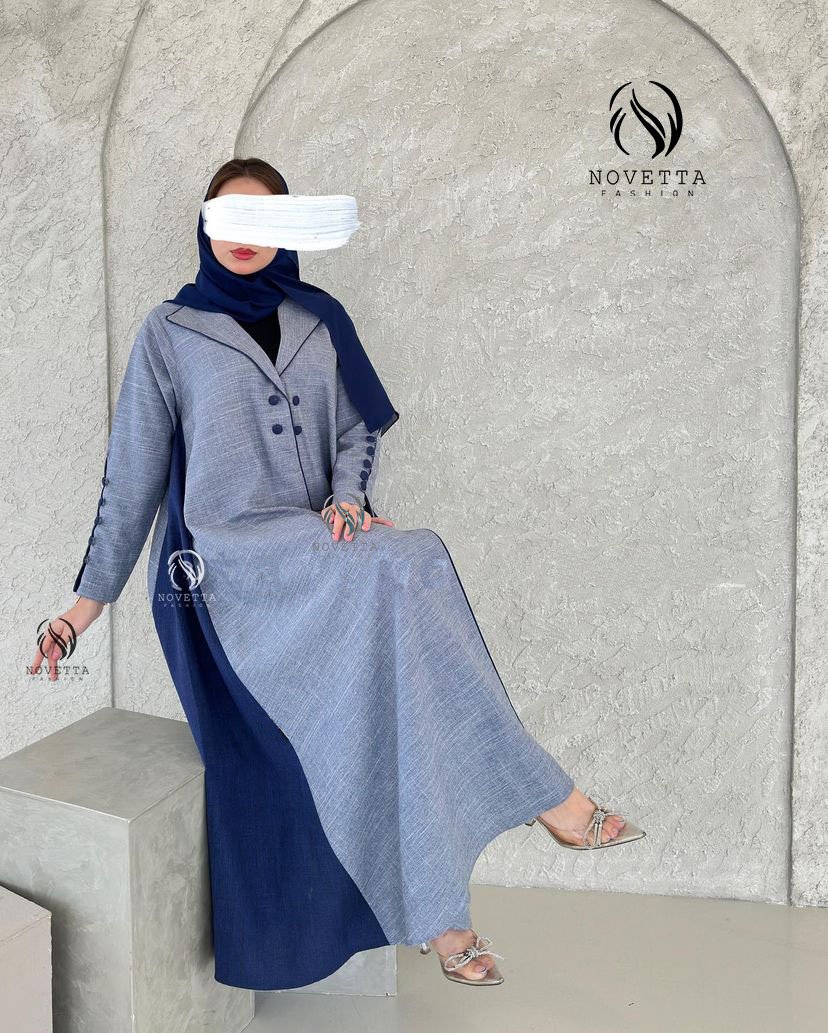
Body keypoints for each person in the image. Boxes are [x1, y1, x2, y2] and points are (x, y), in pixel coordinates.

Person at [31, 157, 645, 991]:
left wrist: (349, 497)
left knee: (407, 658)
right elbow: (131, 473)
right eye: (229, 217)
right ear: (206, 226)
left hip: (317, 550)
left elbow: (359, 430)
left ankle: (448, 913)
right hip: (226, 571)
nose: (245, 236)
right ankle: (551, 803)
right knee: (408, 565)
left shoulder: (319, 319)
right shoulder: (169, 332)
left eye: (265, 219)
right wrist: (81, 609)